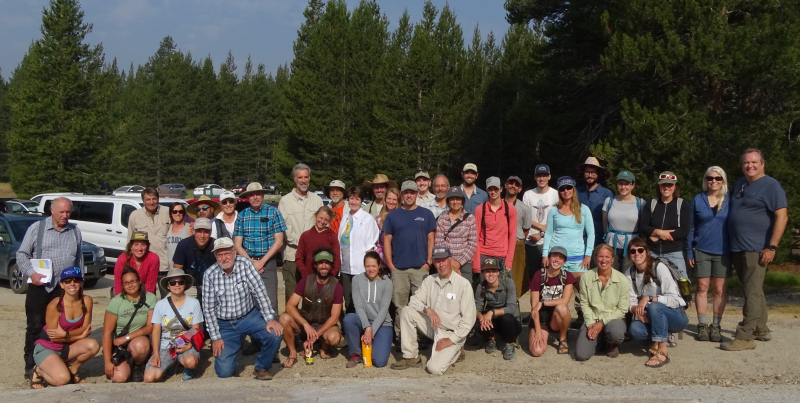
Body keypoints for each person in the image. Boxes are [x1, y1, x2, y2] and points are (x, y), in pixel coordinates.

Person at [722, 149, 788, 351]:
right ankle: (760, 328)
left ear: (762, 164)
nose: (749, 166)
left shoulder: (771, 186)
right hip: (738, 246)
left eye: (754, 162)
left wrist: (772, 246)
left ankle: (745, 335)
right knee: (754, 289)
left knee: (751, 291)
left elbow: (782, 217)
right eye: (746, 162)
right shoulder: (742, 183)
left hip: (756, 248)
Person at [17, 197, 83, 379]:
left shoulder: (75, 231)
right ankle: (31, 366)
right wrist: (31, 273)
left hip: (64, 290)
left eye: (68, 212)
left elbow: (79, 259)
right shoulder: (37, 229)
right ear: (52, 211)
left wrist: (79, 284)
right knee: (35, 328)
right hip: (40, 288)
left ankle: (60, 363)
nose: (65, 215)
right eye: (61, 212)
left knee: (62, 328)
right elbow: (21, 254)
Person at [202, 237, 284, 380]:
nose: (224, 258)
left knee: (275, 333)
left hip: (248, 316)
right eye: (219, 254)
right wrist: (215, 338)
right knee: (224, 372)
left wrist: (270, 319)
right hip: (225, 324)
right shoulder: (209, 275)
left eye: (227, 253)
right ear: (215, 256)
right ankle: (231, 350)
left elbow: (260, 292)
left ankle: (261, 367)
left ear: (234, 252)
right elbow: (208, 310)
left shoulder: (245, 264)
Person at [391, 247, 476, 374]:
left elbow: (469, 319)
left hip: (451, 332)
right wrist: (427, 309)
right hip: (433, 326)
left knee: (434, 369)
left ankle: (457, 349)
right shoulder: (430, 280)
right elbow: (414, 300)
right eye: (437, 261)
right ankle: (411, 357)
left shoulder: (463, 284)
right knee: (407, 311)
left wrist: (451, 340)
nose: (441, 265)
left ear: (450, 260)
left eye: (443, 261)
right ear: (434, 263)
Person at [29, 267, 98, 388]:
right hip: (47, 347)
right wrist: (79, 335)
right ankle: (38, 370)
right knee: (62, 380)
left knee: (94, 345)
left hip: (66, 346)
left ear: (81, 283)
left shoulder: (87, 300)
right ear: (61, 285)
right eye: (67, 281)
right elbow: (53, 338)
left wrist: (66, 334)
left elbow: (86, 327)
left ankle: (73, 368)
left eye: (76, 280)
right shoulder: (54, 305)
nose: (72, 283)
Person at [383, 181, 436, 337]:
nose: (409, 195)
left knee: (423, 305)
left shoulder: (426, 214)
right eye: (406, 192)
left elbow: (431, 240)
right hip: (399, 269)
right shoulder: (393, 215)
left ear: (416, 193)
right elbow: (387, 240)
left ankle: (423, 336)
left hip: (421, 268)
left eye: (412, 192)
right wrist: (391, 265)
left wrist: (429, 263)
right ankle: (401, 336)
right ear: (402, 194)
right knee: (400, 306)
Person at [625, 238, 688, 367]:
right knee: (635, 329)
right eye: (633, 251)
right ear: (629, 255)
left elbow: (675, 299)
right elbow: (629, 300)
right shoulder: (630, 273)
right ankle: (657, 339)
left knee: (654, 307)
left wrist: (649, 298)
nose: (637, 253)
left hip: (676, 316)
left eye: (640, 250)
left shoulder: (659, 267)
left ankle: (662, 351)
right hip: (650, 316)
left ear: (647, 252)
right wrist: (636, 309)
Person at [686, 166, 731, 343]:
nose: (714, 181)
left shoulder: (729, 200)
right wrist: (689, 250)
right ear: (706, 180)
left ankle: (716, 325)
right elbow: (691, 227)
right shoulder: (698, 200)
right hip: (702, 249)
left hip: (724, 250)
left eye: (718, 179)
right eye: (710, 178)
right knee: (702, 287)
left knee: (720, 289)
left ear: (723, 181)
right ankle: (702, 325)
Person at [542, 176, 594, 328]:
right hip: (558, 259)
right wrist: (545, 254)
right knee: (555, 292)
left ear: (573, 189)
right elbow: (549, 233)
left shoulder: (584, 209)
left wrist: (588, 254)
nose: (566, 191)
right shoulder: (554, 210)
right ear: (559, 191)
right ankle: (553, 322)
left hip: (578, 259)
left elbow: (591, 233)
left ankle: (587, 321)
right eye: (562, 189)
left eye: (568, 188)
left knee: (585, 292)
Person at [279, 249, 344, 368]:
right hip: (306, 323)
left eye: (327, 263)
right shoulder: (305, 281)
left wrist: (316, 335)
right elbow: (290, 306)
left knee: (334, 338)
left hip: (324, 325)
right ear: (315, 265)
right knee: (284, 318)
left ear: (331, 265)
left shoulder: (337, 286)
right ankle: (293, 354)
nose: (324, 266)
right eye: (320, 263)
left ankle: (323, 347)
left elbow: (335, 318)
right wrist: (306, 325)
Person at [144, 269, 204, 383]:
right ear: (168, 286)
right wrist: (156, 355)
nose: (177, 285)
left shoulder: (194, 303)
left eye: (180, 282)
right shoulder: (160, 305)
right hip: (166, 345)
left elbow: (195, 329)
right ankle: (169, 365)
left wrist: (189, 345)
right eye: (173, 282)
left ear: (185, 284)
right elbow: (156, 331)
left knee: (191, 362)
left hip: (184, 342)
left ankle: (186, 367)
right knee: (149, 378)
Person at [234, 182, 286, 313]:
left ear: (263, 195)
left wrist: (261, 262)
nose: (255, 197)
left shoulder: (274, 212)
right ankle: (254, 332)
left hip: (268, 263)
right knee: (249, 303)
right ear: (248, 197)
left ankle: (273, 332)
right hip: (247, 263)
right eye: (252, 195)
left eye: (258, 194)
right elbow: (237, 244)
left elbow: (279, 241)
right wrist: (251, 263)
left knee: (270, 302)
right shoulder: (242, 216)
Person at [574, 244, 630, 361]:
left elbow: (622, 310)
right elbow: (584, 304)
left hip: (614, 319)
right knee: (581, 355)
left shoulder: (622, 280)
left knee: (616, 332)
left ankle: (611, 343)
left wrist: (601, 323)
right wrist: (590, 324)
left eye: (607, 257)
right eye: (600, 257)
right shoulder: (586, 277)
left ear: (613, 258)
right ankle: (600, 340)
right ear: (595, 258)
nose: (604, 260)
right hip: (593, 319)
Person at [279, 163, 324, 304]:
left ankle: (310, 325)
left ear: (309, 178)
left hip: (313, 257)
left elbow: (323, 225)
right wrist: (305, 245)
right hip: (292, 256)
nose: (303, 180)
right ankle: (291, 325)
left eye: (306, 177)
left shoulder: (317, 200)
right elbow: (285, 229)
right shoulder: (285, 201)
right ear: (295, 179)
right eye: (300, 177)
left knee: (311, 296)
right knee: (292, 295)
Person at [103, 267, 157, 383]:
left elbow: (150, 327)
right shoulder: (116, 302)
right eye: (126, 283)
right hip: (119, 346)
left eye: (133, 281)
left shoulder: (150, 298)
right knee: (119, 378)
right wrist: (107, 361)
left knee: (140, 346)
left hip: (137, 341)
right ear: (122, 285)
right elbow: (107, 333)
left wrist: (127, 338)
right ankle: (125, 363)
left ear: (139, 281)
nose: (130, 285)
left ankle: (138, 365)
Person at [343, 251, 393, 368]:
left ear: (379, 265)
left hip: (382, 324)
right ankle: (356, 353)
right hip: (363, 321)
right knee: (349, 318)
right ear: (364, 266)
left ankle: (373, 343)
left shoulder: (387, 282)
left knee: (379, 362)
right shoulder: (357, 280)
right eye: (367, 266)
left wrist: (371, 331)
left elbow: (384, 310)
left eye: (374, 266)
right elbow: (358, 306)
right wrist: (367, 327)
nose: (371, 269)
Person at [639, 171, 691, 280]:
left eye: (670, 185)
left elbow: (684, 230)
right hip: (652, 252)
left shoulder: (682, 204)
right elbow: (643, 226)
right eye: (663, 185)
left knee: (682, 283)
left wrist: (661, 235)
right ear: (659, 186)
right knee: (651, 283)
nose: (666, 188)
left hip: (673, 251)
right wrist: (658, 232)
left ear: (675, 187)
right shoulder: (651, 203)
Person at [338, 186, 380, 314]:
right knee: (348, 300)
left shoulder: (367, 219)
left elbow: (370, 247)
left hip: (360, 269)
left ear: (361, 201)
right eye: (351, 198)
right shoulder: (345, 218)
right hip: (345, 268)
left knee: (361, 301)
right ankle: (350, 328)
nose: (354, 202)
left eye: (357, 199)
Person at [528, 246, 576, 357]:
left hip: (556, 317)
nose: (557, 260)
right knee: (537, 351)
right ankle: (542, 332)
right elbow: (534, 307)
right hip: (540, 318)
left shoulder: (567, 276)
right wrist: (538, 331)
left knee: (562, 308)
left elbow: (565, 300)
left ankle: (563, 337)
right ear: (549, 257)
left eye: (561, 258)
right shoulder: (538, 275)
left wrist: (543, 302)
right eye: (554, 256)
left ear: (564, 261)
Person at [522, 164, 559, 298]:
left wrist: (543, 233)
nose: (541, 178)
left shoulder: (555, 194)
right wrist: (540, 227)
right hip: (531, 242)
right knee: (534, 277)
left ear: (549, 176)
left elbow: (558, 220)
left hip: (550, 242)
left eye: (544, 175)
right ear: (535, 177)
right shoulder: (528, 195)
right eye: (539, 175)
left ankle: (547, 310)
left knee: (549, 277)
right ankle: (535, 309)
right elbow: (525, 218)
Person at [474, 258, 522, 360]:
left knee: (507, 318)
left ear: (498, 272)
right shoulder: (481, 287)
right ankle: (491, 339)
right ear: (483, 273)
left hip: (511, 320)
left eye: (493, 271)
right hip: (494, 320)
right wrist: (481, 317)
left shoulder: (508, 283)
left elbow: (511, 308)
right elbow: (476, 308)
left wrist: (491, 312)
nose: (491, 274)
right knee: (478, 322)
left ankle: (510, 343)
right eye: (487, 271)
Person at [473, 176, 518, 279]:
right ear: (487, 190)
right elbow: (475, 236)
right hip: (484, 254)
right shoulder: (480, 210)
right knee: (482, 289)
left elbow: (512, 236)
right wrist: (476, 264)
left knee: (504, 288)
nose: (493, 192)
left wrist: (509, 262)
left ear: (501, 189)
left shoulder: (510, 209)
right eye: (490, 189)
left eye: (496, 189)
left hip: (502, 255)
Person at [602, 170, 646, 271]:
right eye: (620, 184)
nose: (623, 187)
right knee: (610, 274)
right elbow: (605, 223)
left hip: (632, 245)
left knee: (628, 275)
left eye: (627, 184)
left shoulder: (640, 203)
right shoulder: (609, 201)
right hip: (611, 244)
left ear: (633, 185)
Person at [434, 186, 477, 288]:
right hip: (445, 262)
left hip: (465, 263)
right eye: (452, 199)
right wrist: (450, 262)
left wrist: (458, 263)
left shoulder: (470, 219)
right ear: (448, 201)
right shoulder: (442, 219)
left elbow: (472, 244)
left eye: (458, 199)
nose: (455, 202)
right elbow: (439, 244)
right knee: (447, 292)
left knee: (464, 292)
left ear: (462, 201)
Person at [127, 187, 171, 283]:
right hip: (144, 265)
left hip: (165, 265)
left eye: (154, 199)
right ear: (143, 201)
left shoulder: (168, 212)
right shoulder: (135, 216)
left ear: (158, 199)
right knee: (146, 296)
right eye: (148, 199)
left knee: (167, 297)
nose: (151, 202)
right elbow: (130, 242)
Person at [172, 218, 217, 306]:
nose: (202, 235)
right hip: (189, 286)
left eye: (206, 232)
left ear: (210, 232)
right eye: (199, 231)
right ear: (193, 231)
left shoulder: (216, 245)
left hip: (212, 286)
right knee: (171, 302)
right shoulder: (183, 244)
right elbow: (177, 271)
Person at [575, 157, 614, 247]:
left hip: (598, 240)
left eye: (593, 172)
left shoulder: (607, 194)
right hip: (579, 239)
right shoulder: (577, 191)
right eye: (587, 172)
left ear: (598, 174)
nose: (590, 175)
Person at [504, 175, 532, 297]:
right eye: (511, 183)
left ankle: (515, 307)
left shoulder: (524, 208)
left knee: (517, 278)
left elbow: (526, 229)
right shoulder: (496, 205)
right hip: (499, 245)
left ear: (520, 189)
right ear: (505, 185)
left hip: (517, 245)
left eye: (516, 184)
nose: (513, 186)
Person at [297, 206, 341, 278]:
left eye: (326, 220)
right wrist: (304, 274)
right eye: (321, 218)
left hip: (327, 278)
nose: (322, 221)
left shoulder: (332, 236)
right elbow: (299, 258)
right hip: (309, 277)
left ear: (329, 221)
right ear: (316, 215)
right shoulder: (305, 235)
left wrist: (331, 276)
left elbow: (337, 259)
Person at [113, 231, 159, 296]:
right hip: (125, 294)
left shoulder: (153, 258)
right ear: (131, 247)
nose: (139, 248)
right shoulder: (122, 258)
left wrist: (143, 301)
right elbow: (118, 284)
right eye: (136, 245)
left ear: (147, 247)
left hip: (145, 294)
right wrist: (121, 300)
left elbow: (150, 285)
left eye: (143, 245)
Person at [166, 202, 193, 279]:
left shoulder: (189, 228)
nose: (178, 214)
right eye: (174, 211)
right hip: (169, 270)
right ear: (171, 213)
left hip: (184, 271)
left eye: (180, 211)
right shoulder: (168, 227)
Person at [375, 187, 400, 264]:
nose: (391, 202)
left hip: (398, 261)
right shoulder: (378, 220)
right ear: (385, 199)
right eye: (389, 198)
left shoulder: (402, 218)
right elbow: (376, 243)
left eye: (394, 199)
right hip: (382, 262)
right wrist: (384, 258)